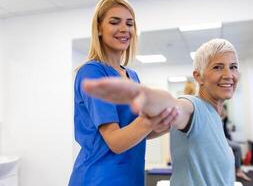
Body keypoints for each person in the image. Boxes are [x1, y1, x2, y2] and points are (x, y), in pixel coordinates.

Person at [83, 38, 240, 185]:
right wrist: (145, 95)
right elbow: (173, 106)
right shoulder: (194, 107)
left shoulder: (214, 115)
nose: (228, 75)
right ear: (198, 77)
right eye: (218, 67)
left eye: (233, 67)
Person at [68, 0, 178, 186]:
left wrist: (165, 122)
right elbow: (116, 141)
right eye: (114, 22)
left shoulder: (132, 76)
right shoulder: (92, 72)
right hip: (100, 178)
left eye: (130, 23)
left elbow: (135, 132)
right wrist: (150, 120)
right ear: (99, 29)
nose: (124, 29)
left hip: (131, 177)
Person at [221, 106, 252, 182]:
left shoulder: (224, 119)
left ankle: (238, 169)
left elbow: (225, 132)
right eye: (224, 110)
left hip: (226, 139)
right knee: (238, 147)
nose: (225, 112)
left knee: (237, 147)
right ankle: (238, 170)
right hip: (222, 140)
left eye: (225, 111)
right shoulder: (216, 117)